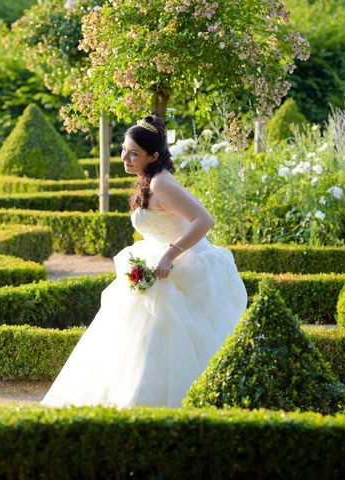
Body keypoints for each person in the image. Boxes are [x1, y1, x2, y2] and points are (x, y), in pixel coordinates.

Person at [42, 115, 247, 408]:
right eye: (125, 149)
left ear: (153, 155)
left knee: (177, 334)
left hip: (182, 266)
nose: (125, 156)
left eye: (134, 152)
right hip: (158, 263)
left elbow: (204, 220)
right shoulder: (148, 179)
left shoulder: (162, 183)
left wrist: (168, 255)